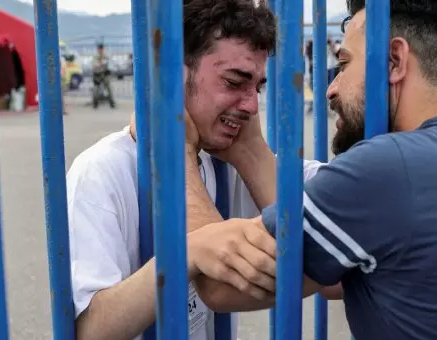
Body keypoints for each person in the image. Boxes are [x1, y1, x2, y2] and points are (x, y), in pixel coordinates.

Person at [188, 1, 437, 339]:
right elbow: (332, 275)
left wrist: (176, 152)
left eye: (344, 65)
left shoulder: (388, 167)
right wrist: (249, 152)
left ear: (394, 61)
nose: (331, 88)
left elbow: (218, 284)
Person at [65, 1, 311, 339]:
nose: (253, 106)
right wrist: (185, 255)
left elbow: (318, 245)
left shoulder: (226, 162)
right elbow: (90, 329)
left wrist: (253, 152)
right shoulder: (104, 169)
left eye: (257, 86)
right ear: (172, 75)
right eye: (234, 81)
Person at [91, 42, 116, 108]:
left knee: (109, 88)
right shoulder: (95, 55)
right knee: (96, 89)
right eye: (100, 48)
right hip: (97, 74)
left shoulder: (106, 54)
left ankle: (112, 103)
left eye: (101, 48)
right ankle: (95, 103)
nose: (100, 50)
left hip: (105, 74)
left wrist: (103, 63)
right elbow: (94, 65)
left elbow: (109, 63)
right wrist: (100, 64)